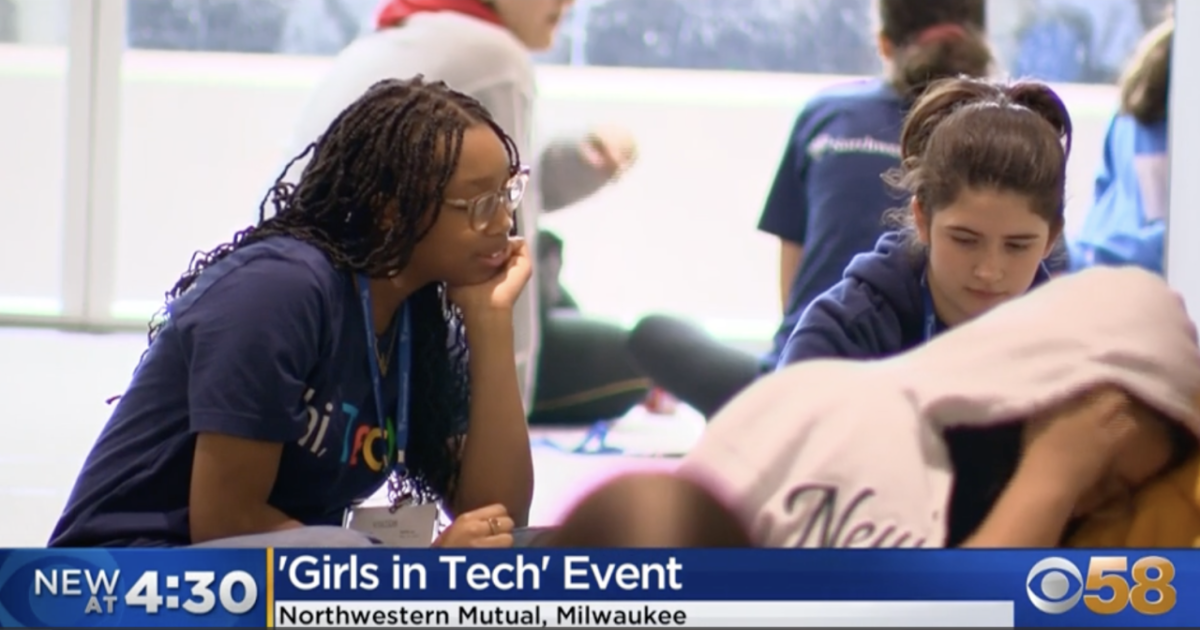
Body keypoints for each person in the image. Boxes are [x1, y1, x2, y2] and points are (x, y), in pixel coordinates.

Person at [49, 77, 534, 548]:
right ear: (392, 209)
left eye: (507, 194)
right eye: (479, 203)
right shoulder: (279, 290)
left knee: (552, 548)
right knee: (346, 551)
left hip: (279, 580)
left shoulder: (421, 320)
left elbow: (497, 517)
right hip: (131, 574)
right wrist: (413, 572)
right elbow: (227, 521)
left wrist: (490, 322)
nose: (503, 221)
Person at [284, 0, 649, 426]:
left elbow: (498, 191)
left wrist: (581, 161)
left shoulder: (402, 33)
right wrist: (503, 420)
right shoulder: (493, 58)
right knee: (633, 358)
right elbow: (504, 237)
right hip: (373, 351)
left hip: (310, 327)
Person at [627, 0, 994, 418]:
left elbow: (793, 283)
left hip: (798, 382)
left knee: (649, 334)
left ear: (884, 44)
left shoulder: (828, 114)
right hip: (932, 389)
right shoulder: (1004, 140)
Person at [678, 265, 1200, 548]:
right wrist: (1054, 475)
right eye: (1104, 473)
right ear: (1052, 385)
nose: (1097, 505)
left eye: (1122, 492)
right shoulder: (881, 428)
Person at [772, 76, 1070, 545]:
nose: (990, 270)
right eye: (965, 240)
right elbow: (794, 513)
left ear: (1051, 239)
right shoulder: (844, 333)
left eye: (1018, 246)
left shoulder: (1074, 357)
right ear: (922, 218)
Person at [1067, 16, 1172, 274]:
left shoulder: (1155, 63)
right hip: (1129, 272)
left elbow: (1103, 191)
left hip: (1098, 262)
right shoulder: (1165, 67)